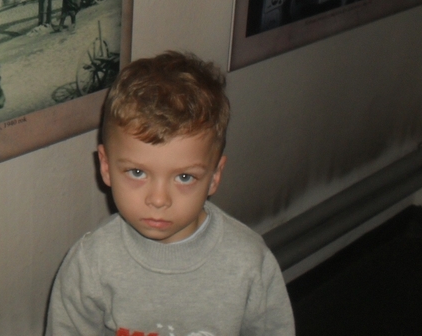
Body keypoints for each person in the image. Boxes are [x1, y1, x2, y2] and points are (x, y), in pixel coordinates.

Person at [45, 51, 295, 336]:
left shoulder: (249, 263)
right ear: (105, 166)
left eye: (184, 177)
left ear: (214, 176)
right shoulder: (90, 263)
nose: (159, 200)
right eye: (137, 172)